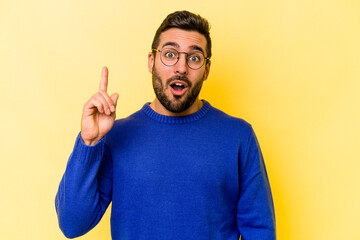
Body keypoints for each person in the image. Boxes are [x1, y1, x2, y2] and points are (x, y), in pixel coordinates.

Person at [55, 10, 276, 240]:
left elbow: (260, 231)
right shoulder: (116, 135)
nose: (181, 67)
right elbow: (72, 224)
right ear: (151, 62)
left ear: (207, 70)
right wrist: (89, 142)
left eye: (194, 58)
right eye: (170, 54)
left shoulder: (238, 137)